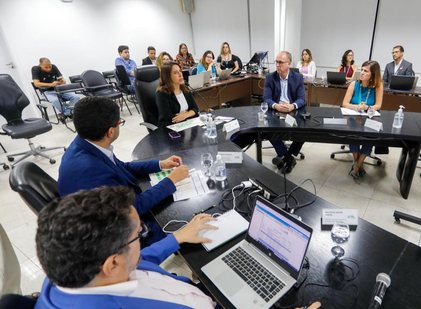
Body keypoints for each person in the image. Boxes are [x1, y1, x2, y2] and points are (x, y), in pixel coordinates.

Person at [35, 186, 218, 308]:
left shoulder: (72, 269)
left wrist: (177, 237)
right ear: (112, 264)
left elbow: (137, 260)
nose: (141, 236)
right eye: (139, 234)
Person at [58, 96, 189, 244]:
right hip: (115, 234)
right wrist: (171, 180)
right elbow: (132, 209)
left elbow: (122, 167)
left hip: (111, 209)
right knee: (186, 218)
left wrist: (160, 164)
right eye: (119, 123)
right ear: (110, 132)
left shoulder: (86, 143)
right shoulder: (89, 171)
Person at [263, 51, 305, 174]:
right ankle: (288, 158)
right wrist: (276, 105)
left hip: (292, 111)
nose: (277, 65)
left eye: (280, 62)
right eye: (276, 62)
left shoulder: (298, 77)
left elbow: (302, 99)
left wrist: (293, 105)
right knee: (267, 129)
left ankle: (286, 158)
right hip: (276, 111)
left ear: (289, 63)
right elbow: (266, 98)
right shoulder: (270, 77)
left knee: (304, 130)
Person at [342, 60, 383, 179]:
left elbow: (378, 105)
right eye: (362, 70)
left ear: (373, 75)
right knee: (353, 134)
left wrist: (367, 107)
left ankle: (356, 166)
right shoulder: (354, 84)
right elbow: (344, 103)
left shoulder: (378, 86)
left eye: (366, 71)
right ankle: (358, 165)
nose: (362, 73)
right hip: (354, 116)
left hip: (369, 117)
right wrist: (356, 106)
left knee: (369, 137)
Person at [156, 62, 199, 128]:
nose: (180, 74)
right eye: (175, 73)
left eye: (180, 71)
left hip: (187, 124)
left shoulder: (185, 89)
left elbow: (195, 108)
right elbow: (168, 118)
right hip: (170, 128)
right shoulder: (162, 93)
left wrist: (185, 115)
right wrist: (189, 113)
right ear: (168, 77)